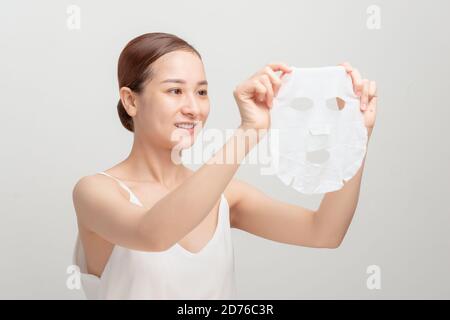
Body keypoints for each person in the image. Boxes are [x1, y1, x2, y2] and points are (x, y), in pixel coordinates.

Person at [71, 32, 378, 299]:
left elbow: (324, 232)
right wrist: (249, 131)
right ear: (131, 101)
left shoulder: (225, 196)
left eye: (202, 92)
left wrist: (356, 136)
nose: (193, 108)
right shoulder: (95, 192)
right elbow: (153, 233)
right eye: (175, 91)